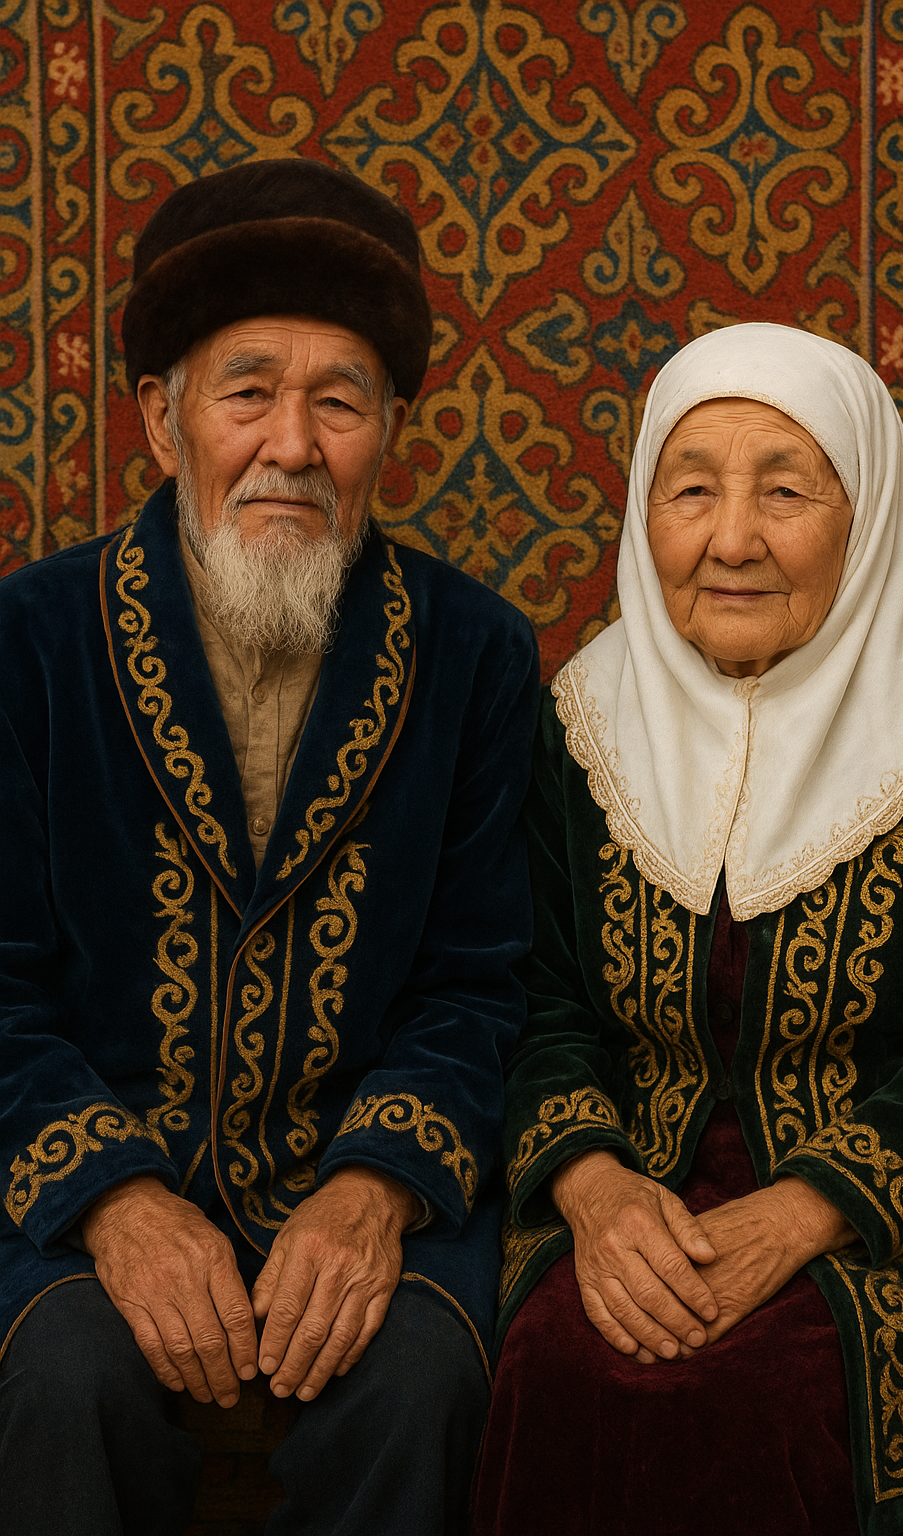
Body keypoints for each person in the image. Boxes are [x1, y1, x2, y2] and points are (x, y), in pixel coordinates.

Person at [0, 159, 538, 1536]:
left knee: (423, 1383)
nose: (291, 445)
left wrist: (374, 1190)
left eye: (339, 402)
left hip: (362, 1178)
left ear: (389, 432)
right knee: (62, 1378)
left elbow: (481, 981)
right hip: (84, 1185)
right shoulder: (28, 641)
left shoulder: (477, 654)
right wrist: (114, 1200)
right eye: (247, 392)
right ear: (161, 419)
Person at [472, 323, 903, 1536]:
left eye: (784, 490)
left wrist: (803, 1211)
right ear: (643, 515)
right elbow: (539, 1003)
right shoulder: (582, 722)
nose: (730, 539)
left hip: (892, 1226)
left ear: (864, 515)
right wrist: (593, 1189)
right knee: (558, 1362)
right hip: (633, 1199)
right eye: (691, 491)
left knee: (760, 1393)